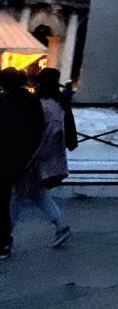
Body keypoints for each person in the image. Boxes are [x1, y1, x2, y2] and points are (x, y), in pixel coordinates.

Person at [13, 69, 73, 248]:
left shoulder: (44, 105)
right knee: (36, 194)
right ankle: (60, 226)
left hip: (36, 157)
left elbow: (46, 134)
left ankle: (6, 234)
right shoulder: (58, 103)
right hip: (42, 158)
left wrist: (31, 157)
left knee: (17, 195)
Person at [0, 68, 45, 260]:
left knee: (3, 201)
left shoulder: (4, 103)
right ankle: (4, 240)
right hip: (23, 157)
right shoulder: (32, 101)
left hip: (4, 156)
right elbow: (39, 128)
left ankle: (4, 239)